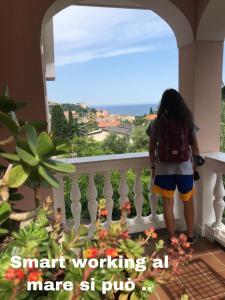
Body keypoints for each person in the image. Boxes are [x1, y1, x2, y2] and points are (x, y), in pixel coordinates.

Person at [146, 89, 201, 244]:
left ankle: (171, 237)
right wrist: (195, 167)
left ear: (163, 104)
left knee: (168, 204)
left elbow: (151, 149)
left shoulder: (156, 123)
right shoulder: (188, 121)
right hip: (184, 169)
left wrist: (153, 168)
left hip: (163, 169)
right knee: (188, 201)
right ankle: (190, 235)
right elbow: (195, 147)